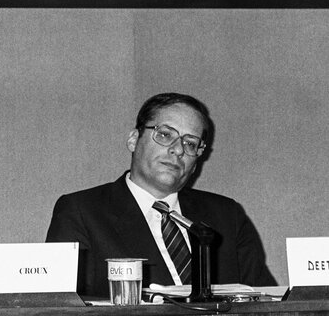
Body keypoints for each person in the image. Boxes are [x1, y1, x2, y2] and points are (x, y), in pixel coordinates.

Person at [46, 93, 275, 298]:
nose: (177, 149)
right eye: (165, 135)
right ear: (133, 140)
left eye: (190, 143)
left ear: (196, 160)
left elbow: (267, 300)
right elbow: (61, 304)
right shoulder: (81, 211)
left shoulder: (226, 216)